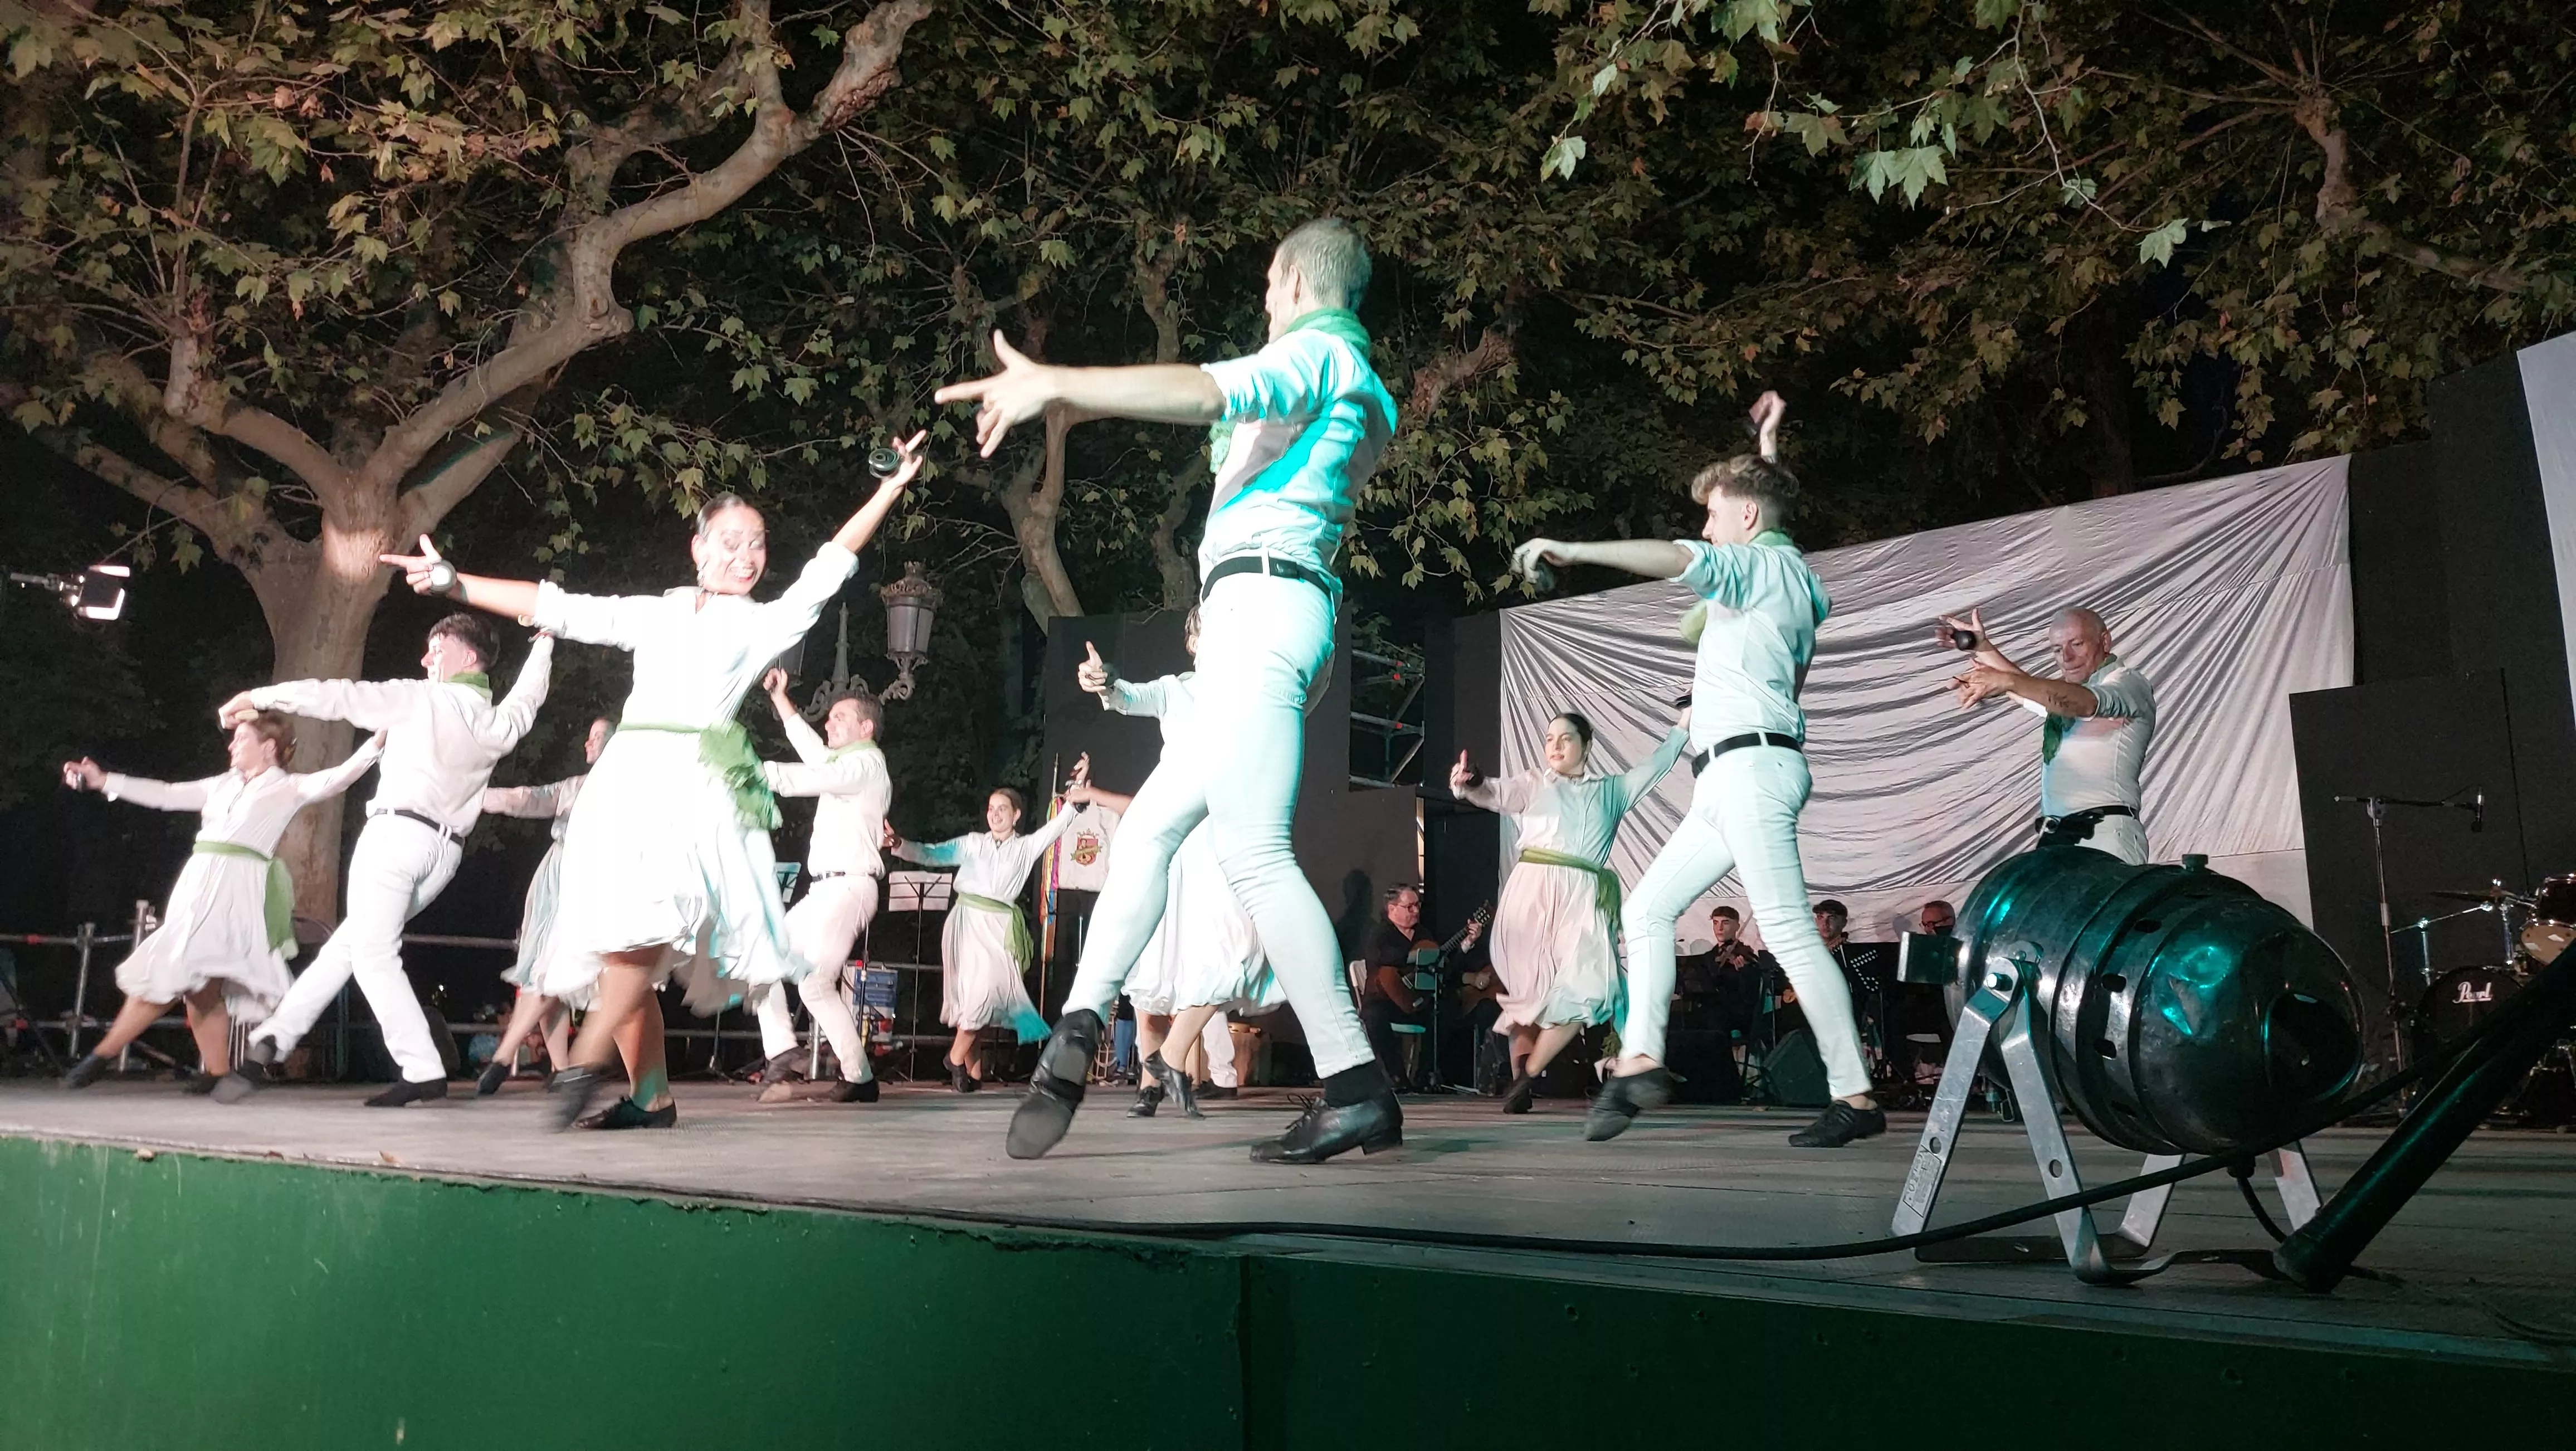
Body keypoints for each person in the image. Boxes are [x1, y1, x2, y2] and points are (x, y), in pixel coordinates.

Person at [939, 217, 1404, 1164]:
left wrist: (1057, 382)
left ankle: (1356, 1085)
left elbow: (1205, 389)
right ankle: (1073, 1032)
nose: (1263, 305)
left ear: (1289, 280)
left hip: (1260, 612)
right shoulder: (1362, 386)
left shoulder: (1317, 355)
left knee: (1255, 855)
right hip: (1270, 614)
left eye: (1268, 288)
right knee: (1152, 832)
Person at [379, 431, 929, 1129]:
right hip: (620, 786)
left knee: (641, 934)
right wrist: (456, 582)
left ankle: (582, 1059)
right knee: (615, 950)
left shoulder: (763, 624)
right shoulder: (655, 611)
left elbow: (830, 565)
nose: (745, 554)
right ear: (697, 549)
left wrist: (888, 488)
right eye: (729, 539)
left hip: (689, 788)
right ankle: (652, 1095)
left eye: (757, 543)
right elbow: (558, 606)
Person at [1511, 390, 1883, 1148]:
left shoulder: (1756, 570)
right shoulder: (1789, 572)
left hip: (1750, 769)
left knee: (1785, 927)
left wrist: (1573, 550)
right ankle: (1641, 1058)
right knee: (1647, 912)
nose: (1704, 529)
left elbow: (1684, 556)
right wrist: (1768, 455)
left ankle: (1856, 1093)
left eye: (1713, 515)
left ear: (1743, 522)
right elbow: (1765, 514)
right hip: (1729, 776)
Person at [229, 616, 553, 1106]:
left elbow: (339, 696)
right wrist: (546, 645)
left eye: (436, 648)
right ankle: (272, 1041)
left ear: (467, 658)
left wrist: (263, 697)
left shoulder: (420, 698)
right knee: (352, 945)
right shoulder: (496, 721)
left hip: (396, 837)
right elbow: (529, 698)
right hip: (444, 857)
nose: (426, 659)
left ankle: (421, 1067)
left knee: (373, 955)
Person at [57, 717, 383, 1097]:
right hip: (197, 884)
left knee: (175, 967)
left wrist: (377, 743)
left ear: (269, 747)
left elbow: (339, 777)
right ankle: (216, 1071)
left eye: (241, 738)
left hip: (235, 890)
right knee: (201, 987)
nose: (231, 746)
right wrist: (103, 780)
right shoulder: (221, 785)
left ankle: (100, 1057)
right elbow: (165, 794)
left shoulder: (288, 787)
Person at [1451, 707, 1690, 1113]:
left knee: (1590, 988)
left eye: (1566, 738)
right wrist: (1470, 781)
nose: (1555, 746)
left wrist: (1682, 730)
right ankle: (1522, 1075)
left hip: (1583, 896)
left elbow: (1655, 767)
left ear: (1587, 745)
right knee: (1530, 995)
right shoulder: (1534, 783)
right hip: (1532, 892)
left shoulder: (1612, 791)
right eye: (1549, 739)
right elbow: (1495, 792)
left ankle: (1528, 1076)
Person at [888, 771, 1090, 1093]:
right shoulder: (972, 844)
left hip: (999, 929)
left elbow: (1060, 824)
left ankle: (956, 1061)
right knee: (975, 997)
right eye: (991, 808)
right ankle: (973, 1073)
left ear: (1016, 815)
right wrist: (900, 845)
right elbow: (932, 853)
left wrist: (1075, 791)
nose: (995, 815)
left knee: (987, 996)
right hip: (967, 924)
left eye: (1003, 809)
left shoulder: (1025, 848)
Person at [745, 666, 889, 1105]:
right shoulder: (846, 764)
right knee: (763, 963)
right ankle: (794, 1053)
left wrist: (756, 772)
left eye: (839, 717)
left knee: (814, 984)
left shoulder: (866, 764)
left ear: (866, 728)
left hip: (848, 888)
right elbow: (816, 758)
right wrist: (781, 699)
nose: (829, 722)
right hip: (825, 891)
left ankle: (855, 1077)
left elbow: (814, 775)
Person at [1938, 606, 2156, 865]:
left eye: (2077, 644)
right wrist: (1983, 648)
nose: (2067, 657)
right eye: (2057, 649)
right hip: (2059, 839)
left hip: (2106, 837)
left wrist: (2006, 682)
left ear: (2104, 640)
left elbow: (2085, 704)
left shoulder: (2126, 682)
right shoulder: (2065, 700)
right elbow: (2037, 692)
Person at [474, 715, 613, 1094]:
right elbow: (527, 798)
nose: (589, 744)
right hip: (559, 877)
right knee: (548, 974)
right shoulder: (576, 787)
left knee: (555, 972)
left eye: (598, 737)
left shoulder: (621, 790)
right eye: (590, 736)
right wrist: (478, 797)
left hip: (588, 881)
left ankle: (505, 1056)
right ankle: (562, 1067)